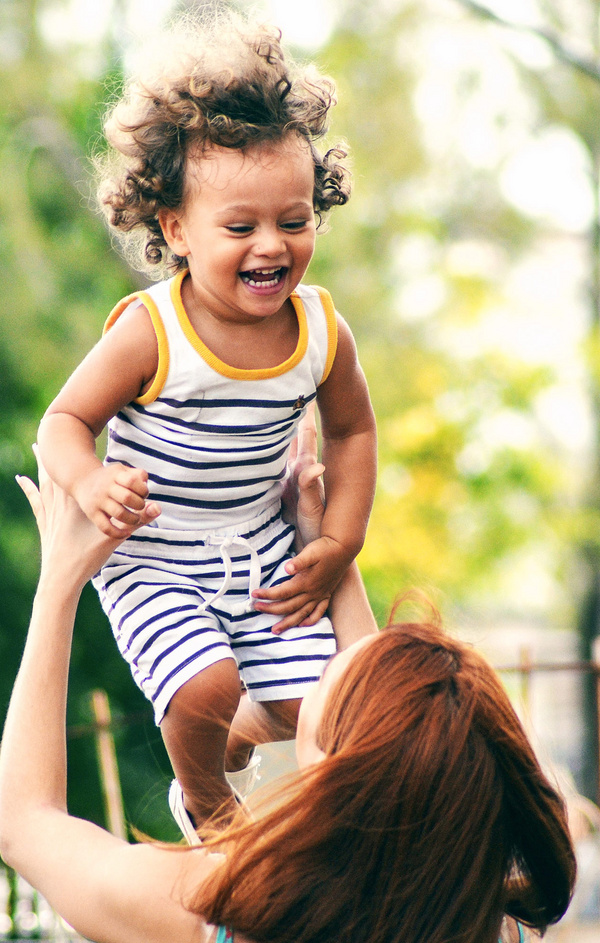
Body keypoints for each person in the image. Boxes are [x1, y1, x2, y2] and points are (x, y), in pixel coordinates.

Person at [0, 440, 576, 943]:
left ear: (333, 771)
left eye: (329, 676)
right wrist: (322, 549)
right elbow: (390, 739)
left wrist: (58, 585)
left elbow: (24, 821)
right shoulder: (495, 924)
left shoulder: (211, 911)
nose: (328, 660)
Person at [36, 11, 377, 829]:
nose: (272, 246)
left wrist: (338, 543)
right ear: (175, 229)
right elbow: (62, 421)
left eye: (294, 222)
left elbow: (355, 432)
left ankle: (234, 732)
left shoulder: (321, 330)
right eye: (240, 227)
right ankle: (209, 804)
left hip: (259, 548)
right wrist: (90, 480)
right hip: (155, 555)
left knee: (320, 708)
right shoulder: (152, 332)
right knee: (204, 687)